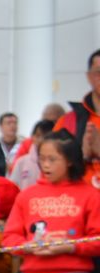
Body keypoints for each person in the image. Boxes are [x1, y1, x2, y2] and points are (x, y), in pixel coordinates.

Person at [3, 131, 100, 273]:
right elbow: (9, 239)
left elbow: (97, 238)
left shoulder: (90, 195)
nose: (45, 165)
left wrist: (70, 247)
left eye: (52, 159)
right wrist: (28, 246)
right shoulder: (27, 195)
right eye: (42, 159)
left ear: (70, 161)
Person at [53, 49, 100, 189]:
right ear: (89, 76)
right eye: (98, 72)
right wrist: (81, 155)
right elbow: (50, 166)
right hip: (77, 198)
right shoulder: (68, 121)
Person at [10, 120, 55, 190]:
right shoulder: (22, 162)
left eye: (45, 136)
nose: (41, 140)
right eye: (38, 136)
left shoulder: (57, 163)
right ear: (32, 137)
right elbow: (12, 187)